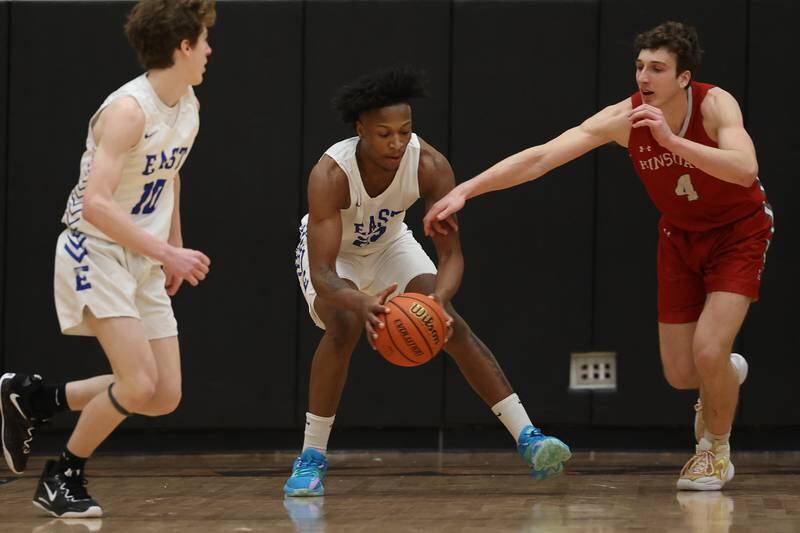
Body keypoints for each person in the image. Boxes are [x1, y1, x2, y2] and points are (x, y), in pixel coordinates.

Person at [424, 21, 773, 491]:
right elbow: (542, 157)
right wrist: (466, 190)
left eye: (657, 68)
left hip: (738, 232)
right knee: (681, 373)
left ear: (684, 77)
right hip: (679, 236)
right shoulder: (623, 118)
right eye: (639, 66)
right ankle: (723, 377)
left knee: (709, 348)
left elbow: (745, 169)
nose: (644, 77)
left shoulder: (714, 104)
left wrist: (673, 143)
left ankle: (714, 451)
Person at [287, 66, 571, 497]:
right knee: (343, 327)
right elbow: (325, 275)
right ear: (360, 128)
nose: (397, 142)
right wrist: (361, 303)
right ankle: (311, 457)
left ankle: (530, 438)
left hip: (388, 245)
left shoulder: (430, 165)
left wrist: (436, 300)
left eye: (405, 131)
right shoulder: (331, 174)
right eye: (384, 133)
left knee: (450, 322)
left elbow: (452, 255)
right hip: (335, 257)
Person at [0, 0, 215, 517]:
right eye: (204, 40)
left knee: (162, 394)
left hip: (143, 254)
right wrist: (167, 251)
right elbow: (95, 204)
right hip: (92, 247)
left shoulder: (187, 103)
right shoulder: (127, 110)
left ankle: (36, 399)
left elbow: (170, 174)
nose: (210, 50)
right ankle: (63, 475)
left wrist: (171, 250)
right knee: (137, 382)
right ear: (183, 46)